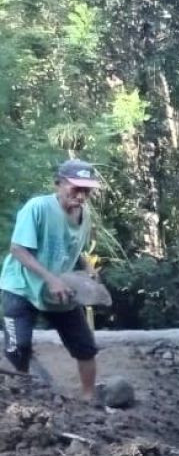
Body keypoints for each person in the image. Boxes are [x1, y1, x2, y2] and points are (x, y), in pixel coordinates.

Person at [1, 159, 104, 400]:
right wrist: (50, 279)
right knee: (18, 348)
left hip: (59, 289)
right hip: (21, 287)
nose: (81, 195)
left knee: (85, 347)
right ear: (59, 183)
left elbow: (73, 248)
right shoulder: (37, 208)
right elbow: (18, 249)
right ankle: (23, 398)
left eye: (86, 190)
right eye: (75, 188)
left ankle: (89, 398)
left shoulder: (84, 215)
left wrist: (87, 267)